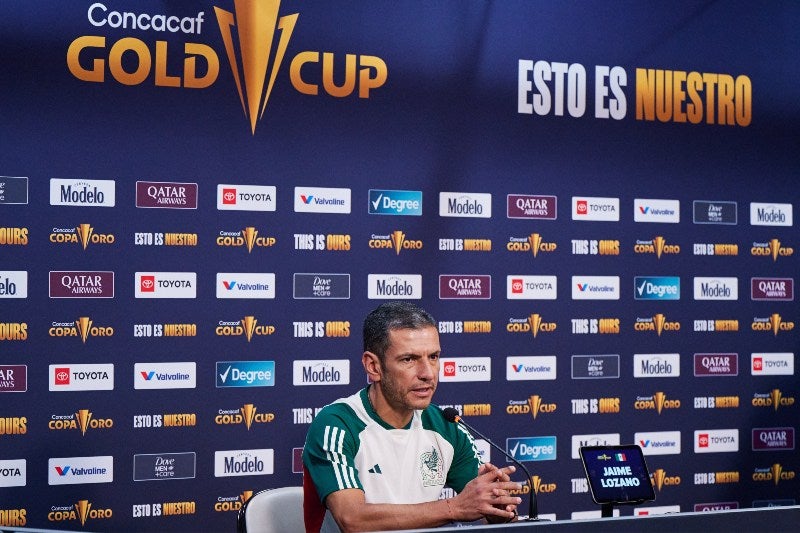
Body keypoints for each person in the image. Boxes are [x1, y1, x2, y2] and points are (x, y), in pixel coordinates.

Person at [303, 301, 521, 532]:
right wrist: (454, 508)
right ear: (373, 366)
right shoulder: (337, 424)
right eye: (409, 359)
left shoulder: (447, 426)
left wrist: (497, 509)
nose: (427, 373)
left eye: (434, 357)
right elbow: (353, 519)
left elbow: (488, 510)